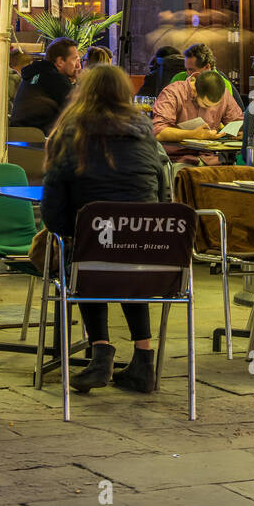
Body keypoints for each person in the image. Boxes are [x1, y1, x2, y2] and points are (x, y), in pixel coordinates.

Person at [41, 65, 170, 394]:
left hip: (93, 254)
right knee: (124, 254)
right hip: (150, 257)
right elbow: (163, 194)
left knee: (87, 253)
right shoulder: (145, 132)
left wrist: (70, 230)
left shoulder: (70, 131)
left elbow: (53, 212)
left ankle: (100, 356)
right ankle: (144, 360)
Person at [153, 67, 242, 163]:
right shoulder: (172, 93)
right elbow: (158, 132)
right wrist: (194, 134)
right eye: (205, 105)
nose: (209, 109)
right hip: (177, 159)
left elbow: (238, 122)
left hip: (211, 159)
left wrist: (240, 133)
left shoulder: (223, 93)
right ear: (194, 91)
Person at [10, 37, 81, 134]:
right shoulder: (55, 79)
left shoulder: (36, 75)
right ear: (60, 61)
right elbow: (78, 110)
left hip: (19, 139)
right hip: (40, 141)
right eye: (75, 60)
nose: (78, 66)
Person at [169, 42, 243, 103]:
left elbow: (225, 115)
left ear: (207, 67)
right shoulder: (178, 78)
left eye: (192, 70)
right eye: (186, 69)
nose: (188, 74)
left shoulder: (223, 84)